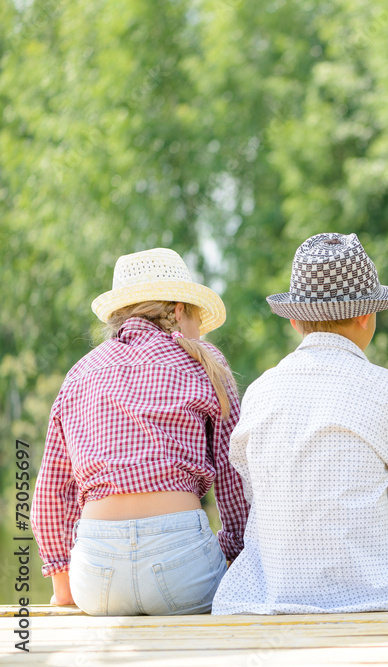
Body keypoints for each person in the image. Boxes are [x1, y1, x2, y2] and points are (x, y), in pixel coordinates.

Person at [211, 233, 388, 614]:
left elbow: (256, 496)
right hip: (379, 594)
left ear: (294, 322)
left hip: (272, 593)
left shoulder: (259, 392)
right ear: (367, 315)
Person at [31, 248, 249, 615]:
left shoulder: (80, 373)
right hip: (182, 564)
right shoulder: (201, 360)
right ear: (179, 311)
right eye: (196, 318)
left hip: (97, 578)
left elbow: (51, 492)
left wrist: (63, 585)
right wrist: (233, 554)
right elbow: (235, 478)